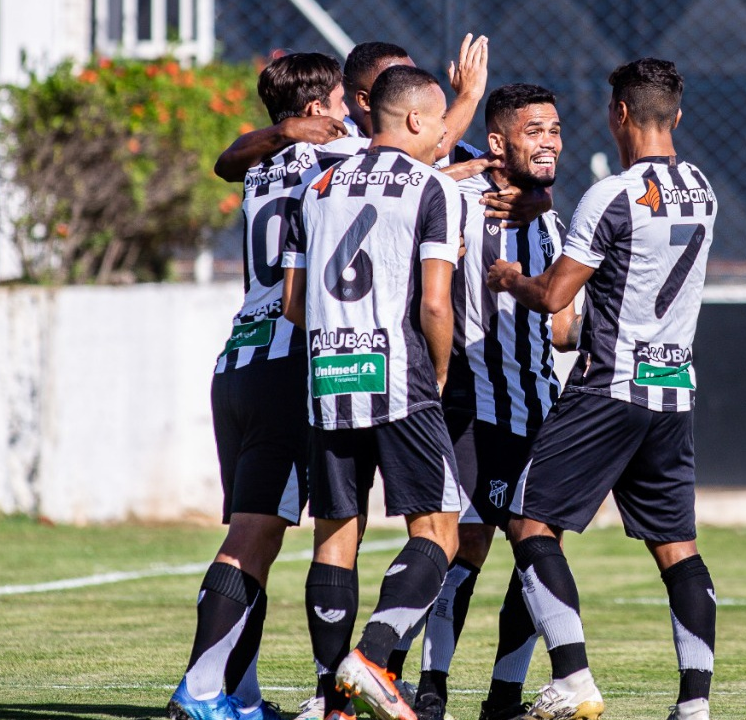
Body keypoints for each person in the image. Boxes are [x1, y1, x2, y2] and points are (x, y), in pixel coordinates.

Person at [486, 58, 719, 720]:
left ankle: (573, 677)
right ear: (676, 115)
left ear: (619, 114)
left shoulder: (610, 194)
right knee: (678, 548)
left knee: (530, 522)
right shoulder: (703, 190)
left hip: (608, 386)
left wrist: (509, 278)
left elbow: (556, 297)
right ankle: (694, 704)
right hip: (673, 386)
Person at [166, 52, 354, 720]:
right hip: (285, 363)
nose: (348, 112)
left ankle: (236, 695)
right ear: (314, 111)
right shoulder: (338, 156)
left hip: (239, 361)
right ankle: (200, 690)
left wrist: (282, 134)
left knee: (256, 539)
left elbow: (227, 156)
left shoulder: (262, 162)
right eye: (339, 102)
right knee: (251, 538)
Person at [282, 64, 465, 720]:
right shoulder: (431, 188)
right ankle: (374, 653)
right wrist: (439, 373)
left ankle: (332, 701)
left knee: (335, 535)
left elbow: (295, 305)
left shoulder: (318, 184)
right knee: (440, 529)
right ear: (415, 119)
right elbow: (437, 305)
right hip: (401, 376)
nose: (446, 132)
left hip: (328, 376)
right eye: (442, 118)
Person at [402, 83, 578, 720]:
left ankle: (505, 692)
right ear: (499, 141)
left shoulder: (552, 216)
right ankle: (432, 685)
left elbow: (560, 327)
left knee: (537, 552)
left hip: (540, 407)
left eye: (555, 130)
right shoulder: (456, 199)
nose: (550, 141)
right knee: (464, 546)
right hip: (473, 405)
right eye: (534, 130)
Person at [214, 36, 488, 182]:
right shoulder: (335, 146)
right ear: (364, 100)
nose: (412, 87)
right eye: (398, 83)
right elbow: (432, 153)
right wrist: (469, 95)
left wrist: (529, 197)